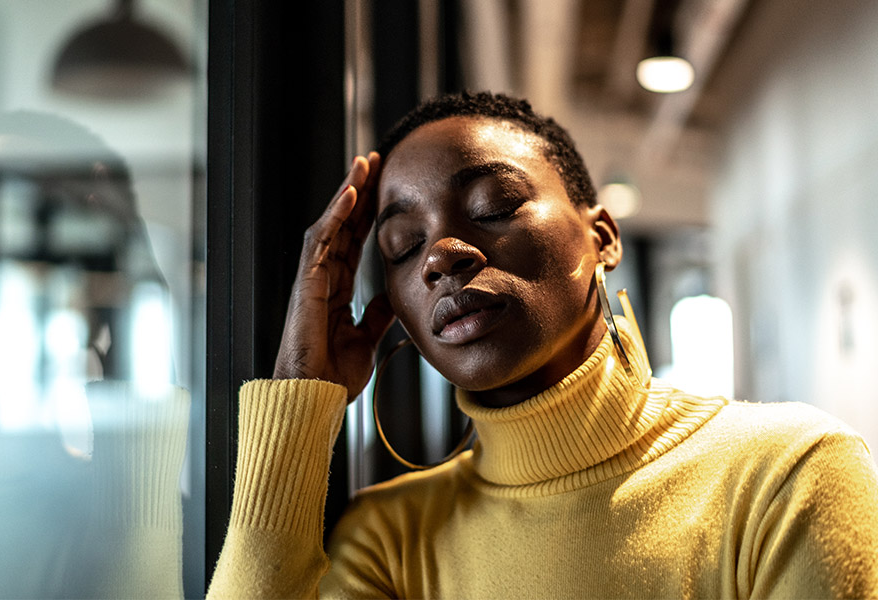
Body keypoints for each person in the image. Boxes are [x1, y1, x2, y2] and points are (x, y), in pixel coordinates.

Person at [208, 91, 878, 598]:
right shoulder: (391, 540)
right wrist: (300, 392)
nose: (440, 255)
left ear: (604, 238)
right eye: (402, 246)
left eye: (495, 204)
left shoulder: (787, 474)